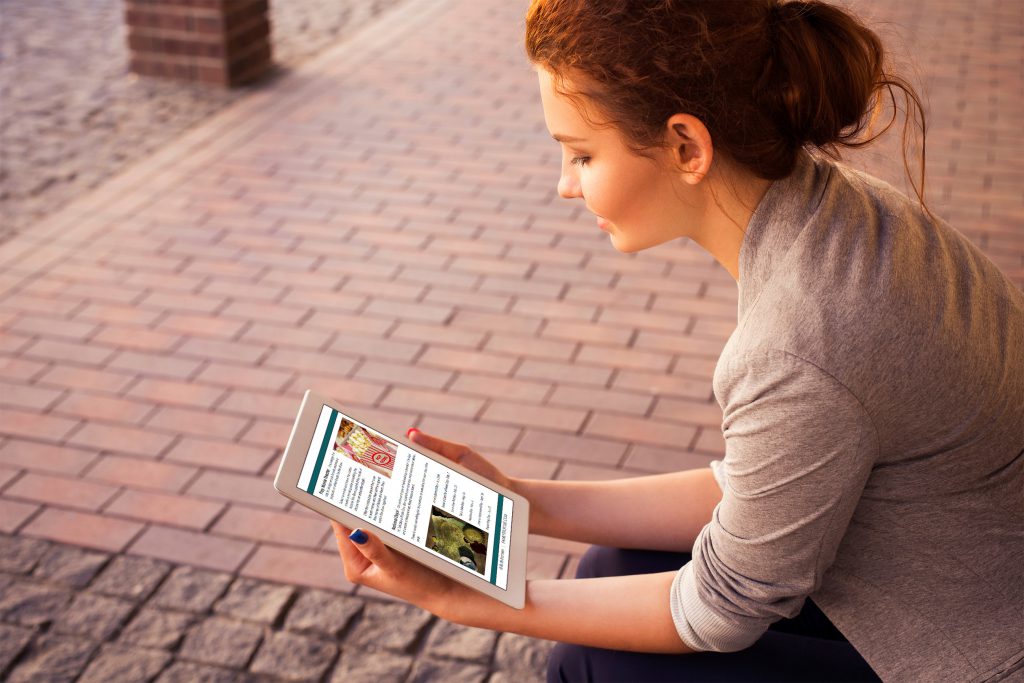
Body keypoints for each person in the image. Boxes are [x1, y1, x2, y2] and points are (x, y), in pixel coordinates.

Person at [331, 1, 1024, 681]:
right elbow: (765, 480)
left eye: (580, 154)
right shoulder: (835, 211)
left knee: (591, 662)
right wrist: (519, 501)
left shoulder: (798, 341)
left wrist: (470, 600)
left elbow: (723, 608)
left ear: (687, 146)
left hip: (971, 651)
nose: (564, 186)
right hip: (944, 585)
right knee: (613, 562)